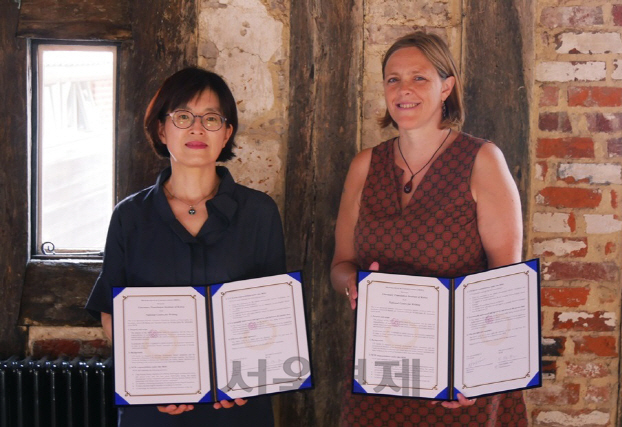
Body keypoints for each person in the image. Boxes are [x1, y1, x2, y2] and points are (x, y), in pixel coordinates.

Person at [330, 32, 527, 426]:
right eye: (393, 79)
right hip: (381, 372)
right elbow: (340, 264)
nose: (404, 89)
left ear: (446, 87)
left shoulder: (481, 159)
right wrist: (351, 282)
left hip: (459, 380)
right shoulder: (364, 165)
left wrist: (476, 375)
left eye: (419, 78)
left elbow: (504, 286)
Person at [85, 67, 285, 427]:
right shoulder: (130, 217)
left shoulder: (260, 212)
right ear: (162, 130)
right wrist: (154, 383)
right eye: (182, 117)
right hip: (155, 406)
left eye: (211, 118)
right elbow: (112, 312)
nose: (197, 128)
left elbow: (272, 313)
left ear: (227, 134)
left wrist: (252, 379)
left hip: (238, 405)